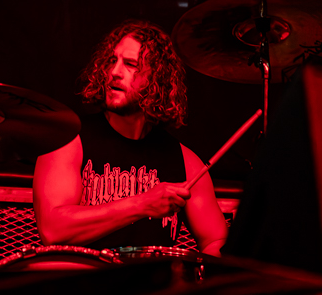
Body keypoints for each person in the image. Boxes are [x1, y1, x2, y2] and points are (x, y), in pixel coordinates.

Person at [34, 20, 228, 255]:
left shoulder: (186, 162)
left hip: (154, 280)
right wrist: (142, 204)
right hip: (84, 277)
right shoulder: (68, 141)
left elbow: (215, 240)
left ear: (156, 78)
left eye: (130, 64)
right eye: (111, 61)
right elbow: (53, 230)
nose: (114, 72)